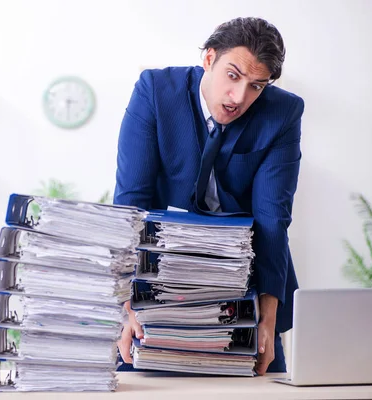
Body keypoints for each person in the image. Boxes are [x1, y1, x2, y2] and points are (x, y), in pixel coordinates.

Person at [113, 17, 304, 375]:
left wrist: (268, 318)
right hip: (157, 284)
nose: (240, 98)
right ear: (209, 59)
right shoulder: (155, 90)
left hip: (244, 285)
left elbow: (273, 217)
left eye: (256, 86)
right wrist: (126, 306)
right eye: (233, 76)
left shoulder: (282, 113)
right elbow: (130, 204)